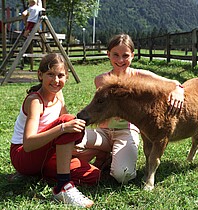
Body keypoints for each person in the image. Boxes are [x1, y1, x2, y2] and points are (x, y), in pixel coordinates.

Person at [73, 34, 184, 184]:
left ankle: (109, 156)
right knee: (70, 143)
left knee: (123, 175)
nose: (120, 60)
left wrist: (178, 90)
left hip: (126, 131)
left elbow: (173, 82)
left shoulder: (141, 76)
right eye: (116, 55)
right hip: (103, 131)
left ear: (132, 55)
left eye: (125, 55)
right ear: (108, 54)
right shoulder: (101, 80)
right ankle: (104, 153)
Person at [10, 53, 100, 208]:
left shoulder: (59, 95)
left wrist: (72, 141)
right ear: (40, 75)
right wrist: (63, 128)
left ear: (67, 77)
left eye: (60, 75)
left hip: (45, 153)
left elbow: (64, 134)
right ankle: (62, 187)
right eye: (50, 74)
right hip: (23, 155)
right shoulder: (35, 101)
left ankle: (39, 174)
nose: (56, 80)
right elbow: (28, 144)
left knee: (94, 176)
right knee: (68, 120)